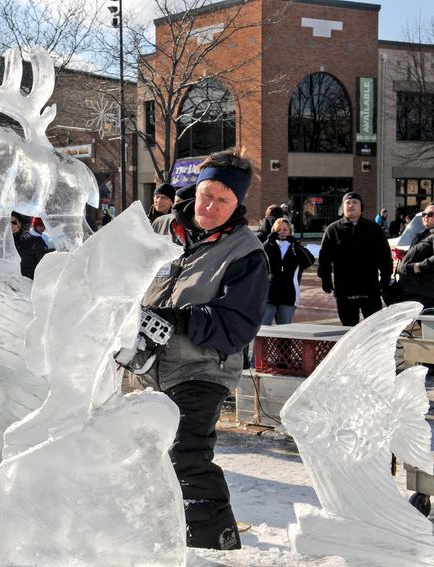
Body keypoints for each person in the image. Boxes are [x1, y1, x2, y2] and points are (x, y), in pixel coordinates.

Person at [139, 148, 268, 550]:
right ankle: (154, 540)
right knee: (139, 455)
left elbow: (237, 327)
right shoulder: (161, 228)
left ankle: (216, 545)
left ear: (238, 203)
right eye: (206, 194)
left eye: (223, 200)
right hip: (141, 365)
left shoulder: (247, 253)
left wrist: (179, 320)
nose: (210, 207)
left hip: (201, 370)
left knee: (185, 453)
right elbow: (117, 275)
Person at [318, 192, 392, 326]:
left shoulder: (374, 229)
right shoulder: (333, 230)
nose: (351, 205)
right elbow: (325, 258)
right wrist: (326, 279)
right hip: (344, 290)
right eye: (347, 203)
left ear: (361, 207)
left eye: (355, 202)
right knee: (348, 330)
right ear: (343, 207)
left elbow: (384, 256)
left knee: (374, 329)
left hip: (370, 289)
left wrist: (386, 278)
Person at [396, 203, 434, 308]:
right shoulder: (424, 235)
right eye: (424, 214)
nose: (425, 216)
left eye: (430, 214)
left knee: (432, 324)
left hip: (432, 295)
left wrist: (417, 267)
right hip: (415, 291)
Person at [262, 218, 315, 325]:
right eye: (278, 229)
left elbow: (309, 261)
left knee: (284, 328)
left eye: (285, 230)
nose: (282, 232)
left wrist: (296, 245)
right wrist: (268, 242)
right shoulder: (270, 246)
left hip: (289, 294)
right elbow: (258, 257)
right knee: (263, 328)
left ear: (290, 231)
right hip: (269, 294)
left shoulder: (295, 247)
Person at [11, 211, 48, 279]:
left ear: (20, 222)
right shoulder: (7, 242)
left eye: (14, 222)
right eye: (7, 223)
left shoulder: (35, 240)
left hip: (32, 282)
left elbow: (45, 264)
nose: (11, 226)